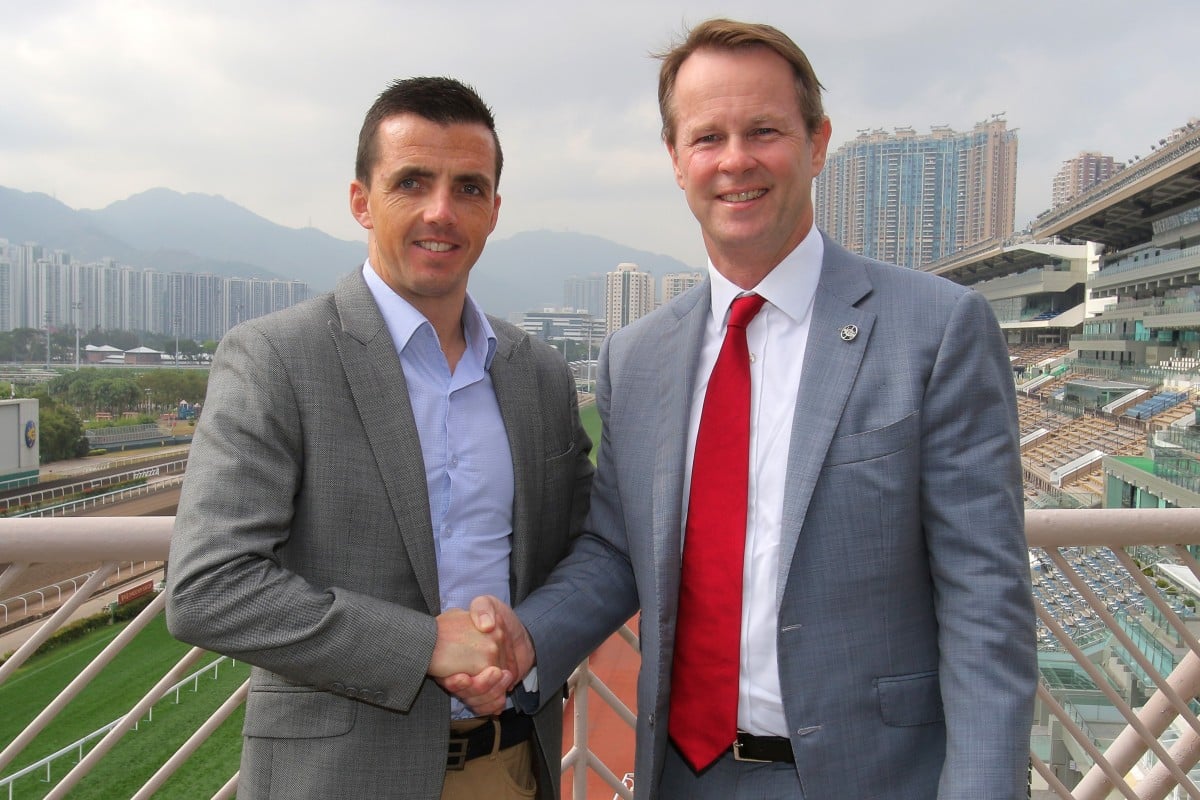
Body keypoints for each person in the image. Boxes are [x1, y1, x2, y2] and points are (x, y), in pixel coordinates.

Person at [464, 18, 1037, 799]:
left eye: (764, 130)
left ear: (817, 141)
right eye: (708, 138)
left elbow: (986, 604)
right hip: (684, 775)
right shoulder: (638, 357)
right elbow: (616, 551)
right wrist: (528, 638)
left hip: (871, 779)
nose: (735, 160)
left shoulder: (935, 331)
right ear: (676, 160)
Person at [165, 76, 593, 800]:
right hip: (338, 779)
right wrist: (424, 646)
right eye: (412, 182)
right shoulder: (278, 358)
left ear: (494, 210)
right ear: (361, 200)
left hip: (514, 767)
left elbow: (590, 547)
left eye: (468, 187)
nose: (441, 212)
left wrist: (531, 635)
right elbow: (208, 588)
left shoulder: (540, 375)